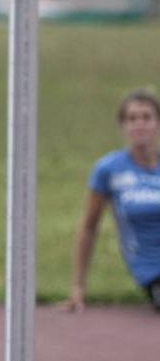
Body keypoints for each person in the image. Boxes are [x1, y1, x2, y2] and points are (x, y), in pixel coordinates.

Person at [66, 88, 160, 313]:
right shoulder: (109, 170)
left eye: (146, 117)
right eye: (132, 118)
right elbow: (89, 228)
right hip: (152, 269)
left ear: (157, 123)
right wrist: (78, 287)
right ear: (123, 126)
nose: (140, 124)